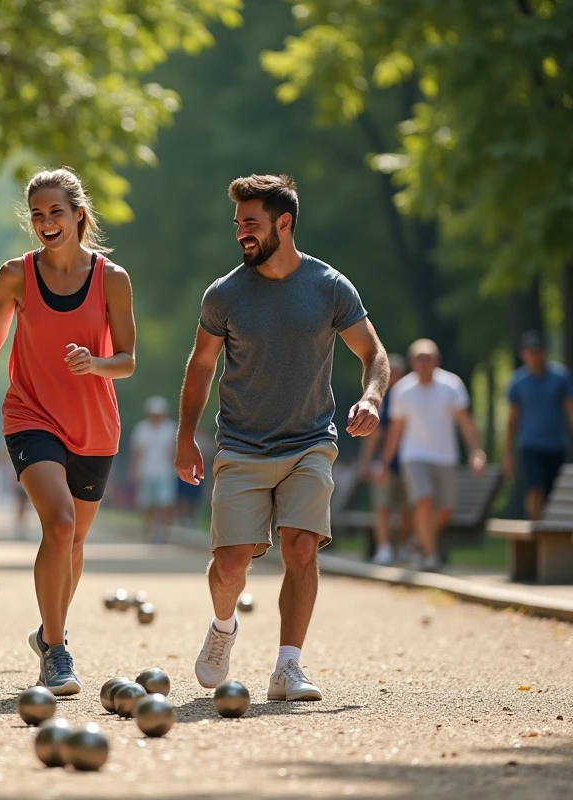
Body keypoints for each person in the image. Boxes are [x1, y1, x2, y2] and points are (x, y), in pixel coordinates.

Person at [175, 174, 388, 702]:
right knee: (230, 563)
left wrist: (372, 397)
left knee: (299, 549)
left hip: (310, 441)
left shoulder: (329, 286)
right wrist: (186, 437)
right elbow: (201, 366)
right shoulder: (224, 294)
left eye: (252, 223)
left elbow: (374, 355)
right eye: (238, 224)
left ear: (284, 223)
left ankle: (287, 667)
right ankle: (223, 629)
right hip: (242, 446)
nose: (242, 233)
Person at [0, 167, 135, 696]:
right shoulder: (16, 275)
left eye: (56, 212)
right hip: (30, 414)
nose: (46, 222)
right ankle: (57, 649)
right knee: (58, 525)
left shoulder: (112, 279)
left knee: (74, 542)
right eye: (37, 214)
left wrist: (95, 364)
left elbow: (126, 360)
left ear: (79, 215)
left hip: (95, 424)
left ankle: (46, 633)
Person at [381, 339, 485, 571]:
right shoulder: (402, 390)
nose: (424, 363)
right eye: (419, 358)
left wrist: (476, 451)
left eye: (428, 358)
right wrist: (386, 464)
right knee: (423, 499)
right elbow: (395, 431)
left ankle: (419, 539)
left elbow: (465, 422)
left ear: (437, 360)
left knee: (445, 510)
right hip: (414, 455)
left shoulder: (452, 385)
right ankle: (430, 555)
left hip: (445, 456)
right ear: (412, 362)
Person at [503, 330, 573, 520]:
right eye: (529, 351)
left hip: (556, 444)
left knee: (552, 492)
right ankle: (535, 533)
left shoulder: (560, 377)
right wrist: (507, 452)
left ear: (544, 352)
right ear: (523, 354)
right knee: (535, 489)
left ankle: (549, 530)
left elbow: (572, 409)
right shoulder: (518, 381)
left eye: (537, 351)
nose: (533, 356)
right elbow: (512, 419)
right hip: (530, 444)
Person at [359, 353, 411, 564]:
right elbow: (376, 434)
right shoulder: (381, 400)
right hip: (385, 462)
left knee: (406, 508)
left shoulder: (409, 395)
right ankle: (384, 547)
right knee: (382, 506)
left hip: (407, 460)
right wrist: (368, 461)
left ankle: (400, 546)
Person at [130, 396, 178, 543]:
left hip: (165, 471)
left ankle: (163, 533)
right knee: (148, 503)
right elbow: (137, 451)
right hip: (146, 471)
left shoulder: (170, 428)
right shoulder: (142, 428)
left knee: (165, 503)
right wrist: (133, 469)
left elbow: (175, 450)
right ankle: (149, 531)